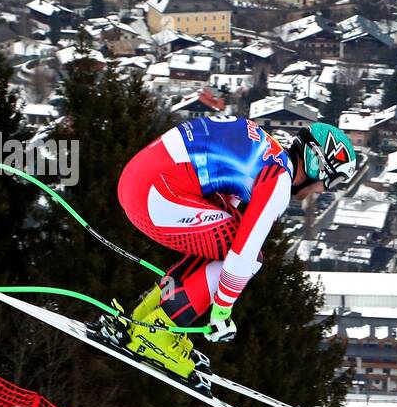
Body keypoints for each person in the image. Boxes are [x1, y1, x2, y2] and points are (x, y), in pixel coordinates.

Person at [112, 116, 357, 377]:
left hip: (140, 181)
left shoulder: (267, 152)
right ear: (315, 164)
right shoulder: (278, 180)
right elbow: (243, 254)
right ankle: (157, 332)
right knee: (249, 258)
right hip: (155, 195)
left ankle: (145, 317)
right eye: (330, 181)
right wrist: (221, 312)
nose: (322, 190)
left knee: (226, 243)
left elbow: (223, 211)